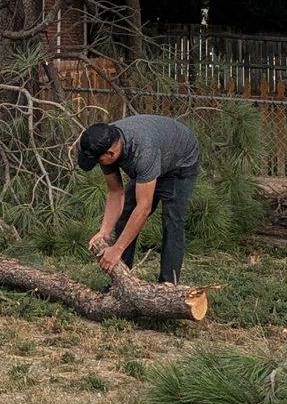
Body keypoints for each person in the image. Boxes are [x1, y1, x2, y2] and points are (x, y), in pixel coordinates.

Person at [75, 114, 201, 285]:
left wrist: (116, 249)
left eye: (98, 161)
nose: (98, 164)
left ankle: (168, 286)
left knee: (172, 221)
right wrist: (104, 231)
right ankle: (121, 280)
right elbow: (115, 192)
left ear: (111, 153)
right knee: (126, 213)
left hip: (180, 162)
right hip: (155, 157)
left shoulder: (142, 151)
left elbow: (144, 208)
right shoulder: (105, 142)